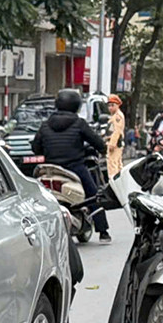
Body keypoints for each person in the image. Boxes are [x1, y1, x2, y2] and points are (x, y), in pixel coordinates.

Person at [31, 88, 111, 241]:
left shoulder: (46, 125)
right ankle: (103, 231)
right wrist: (102, 148)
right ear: (77, 105)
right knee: (94, 195)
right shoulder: (79, 123)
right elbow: (96, 141)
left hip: (50, 169)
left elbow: (36, 147)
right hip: (75, 167)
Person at [105, 94, 127, 180]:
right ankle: (119, 181)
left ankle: (113, 181)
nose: (110, 108)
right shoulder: (115, 115)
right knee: (117, 163)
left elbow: (117, 131)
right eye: (109, 105)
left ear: (117, 105)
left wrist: (112, 144)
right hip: (116, 143)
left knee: (112, 164)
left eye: (112, 105)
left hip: (115, 144)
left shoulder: (118, 116)